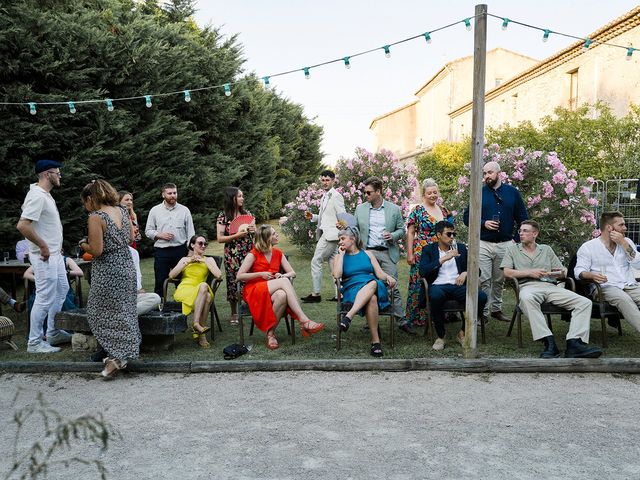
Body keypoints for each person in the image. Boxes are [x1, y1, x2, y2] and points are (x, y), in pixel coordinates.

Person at [502, 220, 603, 358]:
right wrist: (529, 272)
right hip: (528, 286)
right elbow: (507, 272)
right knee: (526, 299)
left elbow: (561, 270)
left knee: (584, 302)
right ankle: (549, 342)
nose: (521, 233)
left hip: (550, 286)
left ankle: (574, 343)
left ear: (535, 233)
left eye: (525, 231)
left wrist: (561, 272)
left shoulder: (546, 249)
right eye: (520, 231)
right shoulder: (512, 249)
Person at [80, 179, 141, 379]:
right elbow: (132, 238)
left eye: (85, 201)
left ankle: (118, 357)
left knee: (97, 312)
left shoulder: (96, 217)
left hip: (108, 270)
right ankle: (120, 355)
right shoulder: (122, 211)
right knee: (124, 312)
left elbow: (97, 250)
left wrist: (84, 244)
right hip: (126, 264)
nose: (85, 206)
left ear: (90, 198)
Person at [237, 225, 324, 350]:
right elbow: (239, 276)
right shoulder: (253, 254)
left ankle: (270, 334)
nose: (277, 235)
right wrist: (260, 274)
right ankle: (304, 320)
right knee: (283, 282)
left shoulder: (278, 253)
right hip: (255, 289)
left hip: (272, 288)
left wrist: (282, 274)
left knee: (282, 295)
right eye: (273, 234)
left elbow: (292, 273)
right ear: (265, 238)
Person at [16, 159, 72, 353]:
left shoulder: (45, 195)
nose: (60, 176)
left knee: (62, 289)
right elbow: (23, 225)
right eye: (57, 173)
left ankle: (54, 331)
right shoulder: (37, 196)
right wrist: (43, 246)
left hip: (54, 254)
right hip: (44, 256)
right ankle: (34, 342)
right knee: (44, 297)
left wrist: (54, 246)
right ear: (47, 174)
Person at [463, 161, 528, 323]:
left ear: (499, 173)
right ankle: (483, 313)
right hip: (483, 243)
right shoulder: (478, 192)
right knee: (483, 279)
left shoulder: (512, 193)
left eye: (490, 173)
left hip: (506, 244)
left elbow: (523, 219)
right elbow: (466, 218)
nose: (486, 176)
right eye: (484, 173)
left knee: (499, 279)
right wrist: (483, 223)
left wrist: (516, 241)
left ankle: (496, 309)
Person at [420, 221, 487, 351]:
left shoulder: (460, 248)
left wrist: (465, 273)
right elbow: (423, 271)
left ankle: (462, 332)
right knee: (435, 296)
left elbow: (477, 270)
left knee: (481, 297)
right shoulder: (428, 250)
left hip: (458, 285)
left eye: (453, 234)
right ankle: (441, 335)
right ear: (439, 235)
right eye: (449, 234)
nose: (452, 237)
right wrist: (444, 258)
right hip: (438, 285)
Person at [333, 226, 396, 357]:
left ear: (353, 238)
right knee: (372, 298)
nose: (340, 242)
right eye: (339, 239)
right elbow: (337, 275)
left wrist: (388, 277)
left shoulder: (367, 254)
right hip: (352, 288)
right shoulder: (339, 256)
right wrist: (341, 255)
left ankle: (348, 317)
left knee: (373, 283)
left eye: (343, 238)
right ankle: (375, 343)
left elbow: (379, 273)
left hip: (372, 283)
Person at [401, 178, 453, 335]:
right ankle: (415, 317)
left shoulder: (444, 211)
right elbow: (410, 232)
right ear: (423, 194)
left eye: (435, 192)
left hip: (441, 250)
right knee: (419, 283)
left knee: (439, 279)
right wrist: (410, 253)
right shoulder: (417, 210)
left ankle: (438, 313)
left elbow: (450, 230)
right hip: (422, 250)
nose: (433, 195)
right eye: (429, 193)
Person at [574, 211, 640, 333]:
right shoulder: (589, 247)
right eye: (621, 225)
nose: (625, 228)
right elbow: (579, 271)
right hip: (605, 287)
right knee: (624, 300)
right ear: (609, 227)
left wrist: (624, 244)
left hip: (629, 284)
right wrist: (591, 275)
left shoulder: (627, 242)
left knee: (628, 296)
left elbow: (638, 264)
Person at [354, 176, 405, 325]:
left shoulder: (393, 209)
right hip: (368, 253)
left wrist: (393, 235)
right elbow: (354, 229)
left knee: (392, 285)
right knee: (367, 286)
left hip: (387, 252)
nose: (366, 195)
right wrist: (344, 227)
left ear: (378, 191)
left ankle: (401, 320)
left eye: (369, 192)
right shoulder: (360, 209)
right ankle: (370, 320)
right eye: (365, 192)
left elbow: (402, 229)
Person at [169, 234, 222, 349]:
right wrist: (188, 262)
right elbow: (171, 276)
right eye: (200, 243)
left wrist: (206, 263)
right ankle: (200, 333)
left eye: (205, 244)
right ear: (192, 245)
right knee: (206, 295)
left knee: (204, 289)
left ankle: (196, 324)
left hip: (200, 289)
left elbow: (218, 275)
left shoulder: (209, 259)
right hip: (185, 289)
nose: (203, 246)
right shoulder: (185, 259)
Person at [301, 169, 345, 303]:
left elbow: (342, 215)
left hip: (331, 235)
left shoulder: (336, 196)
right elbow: (324, 216)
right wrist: (312, 217)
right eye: (323, 180)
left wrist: (341, 226)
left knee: (316, 260)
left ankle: (316, 294)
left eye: (327, 180)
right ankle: (340, 295)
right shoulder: (325, 196)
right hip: (327, 233)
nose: (325, 182)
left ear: (333, 181)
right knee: (333, 263)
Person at [145, 183, 195, 297]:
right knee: (160, 281)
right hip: (162, 251)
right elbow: (148, 231)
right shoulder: (155, 210)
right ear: (163, 194)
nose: (173, 195)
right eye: (170, 193)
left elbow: (191, 233)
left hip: (180, 251)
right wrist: (159, 235)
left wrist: (191, 251)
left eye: (175, 193)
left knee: (182, 281)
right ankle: (159, 308)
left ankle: (182, 309)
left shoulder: (184, 210)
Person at [217, 187, 255, 325]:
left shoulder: (247, 213)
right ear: (232, 198)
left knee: (250, 280)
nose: (242, 198)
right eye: (239, 196)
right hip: (232, 254)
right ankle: (233, 312)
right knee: (233, 283)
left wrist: (253, 230)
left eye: (242, 196)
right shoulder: (223, 216)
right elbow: (220, 238)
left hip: (248, 252)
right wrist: (237, 235)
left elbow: (254, 233)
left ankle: (250, 308)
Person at [128, 246, 161, 315]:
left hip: (132, 295)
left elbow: (137, 275)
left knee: (155, 298)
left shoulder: (133, 252)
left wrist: (137, 289)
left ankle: (127, 314)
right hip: (112, 296)